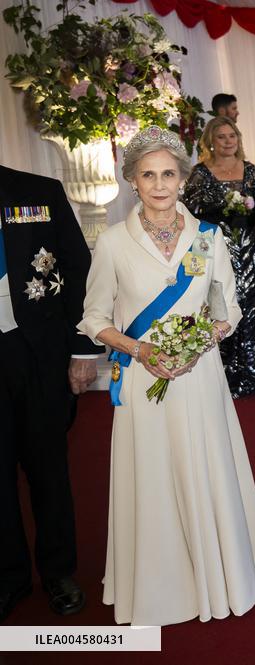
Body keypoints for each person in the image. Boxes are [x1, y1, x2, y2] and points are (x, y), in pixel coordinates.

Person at [79, 126, 255, 626]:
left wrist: (198, 345)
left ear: (183, 178)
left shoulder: (208, 236)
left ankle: (220, 576)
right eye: (148, 175)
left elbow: (226, 308)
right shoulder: (113, 243)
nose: (160, 184)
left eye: (168, 174)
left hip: (200, 375)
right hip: (143, 380)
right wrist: (140, 350)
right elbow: (94, 318)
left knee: (205, 466)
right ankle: (163, 587)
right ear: (132, 180)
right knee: (154, 478)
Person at [0, 165, 102, 622]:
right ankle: (9, 575)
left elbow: (79, 269)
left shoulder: (37, 190)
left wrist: (83, 349)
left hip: (38, 351)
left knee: (48, 467)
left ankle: (59, 571)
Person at [182, 116, 255, 398]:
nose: (228, 141)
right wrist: (222, 209)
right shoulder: (200, 172)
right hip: (210, 246)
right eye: (221, 136)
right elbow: (190, 212)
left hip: (245, 245)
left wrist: (247, 212)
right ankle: (218, 374)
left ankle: (251, 372)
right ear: (210, 141)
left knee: (248, 303)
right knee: (216, 303)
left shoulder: (250, 170)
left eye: (232, 136)